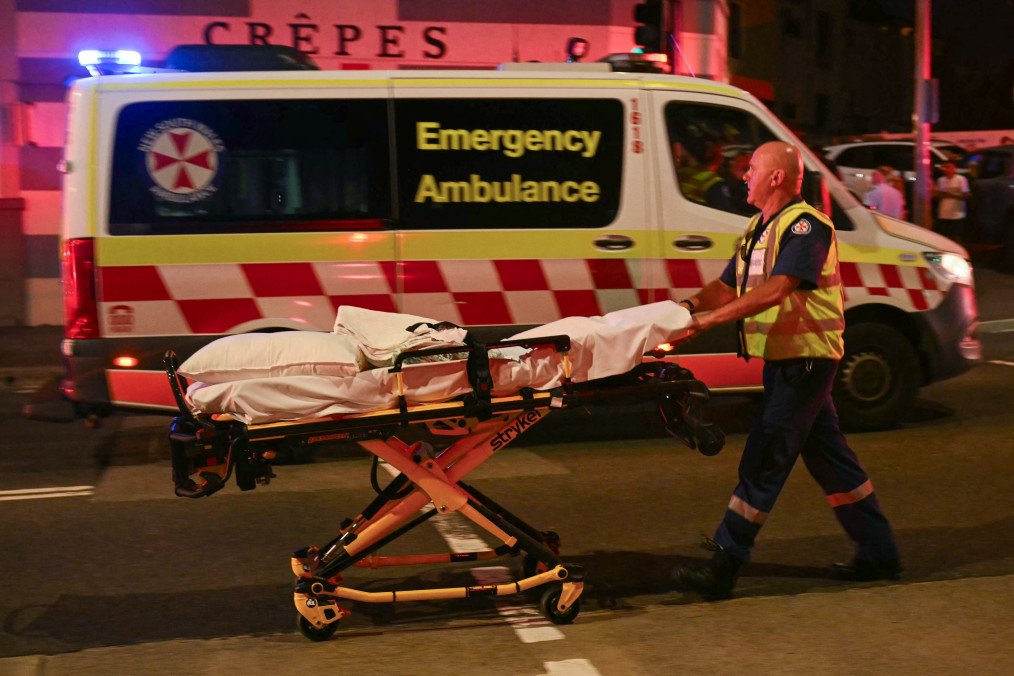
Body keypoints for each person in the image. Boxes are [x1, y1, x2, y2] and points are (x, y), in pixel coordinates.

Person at [669, 141, 901, 600]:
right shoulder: (759, 228)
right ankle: (879, 552)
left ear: (776, 177)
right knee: (832, 462)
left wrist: (706, 323)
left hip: (806, 360)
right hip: (786, 360)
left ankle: (725, 562)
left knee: (765, 455)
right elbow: (725, 286)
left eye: (751, 168)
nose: (743, 176)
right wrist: (686, 310)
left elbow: (778, 289)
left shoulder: (805, 225)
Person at [933, 161, 971, 241]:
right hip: (943, 214)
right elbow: (936, 194)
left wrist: (949, 195)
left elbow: (966, 196)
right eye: (944, 167)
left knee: (957, 236)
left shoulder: (961, 179)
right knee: (944, 236)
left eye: (948, 167)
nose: (946, 169)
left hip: (957, 214)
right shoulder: (941, 180)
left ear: (954, 168)